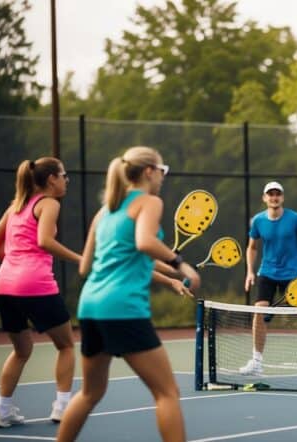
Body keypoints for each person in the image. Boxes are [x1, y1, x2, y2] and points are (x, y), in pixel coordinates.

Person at [56, 146, 200, 442]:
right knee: (167, 393)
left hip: (91, 307)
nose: (163, 176)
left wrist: (169, 274)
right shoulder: (149, 202)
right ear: (148, 171)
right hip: (122, 308)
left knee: (89, 393)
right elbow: (145, 241)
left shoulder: (105, 211)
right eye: (162, 170)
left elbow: (86, 266)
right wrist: (181, 265)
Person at [0, 157, 81, 427]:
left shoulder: (14, 207)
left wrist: (15, 264)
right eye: (63, 175)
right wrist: (79, 259)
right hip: (35, 284)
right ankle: (62, 407)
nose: (66, 180)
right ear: (51, 179)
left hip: (4, 287)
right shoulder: (49, 203)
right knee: (65, 345)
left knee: (22, 350)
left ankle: (2, 411)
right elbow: (45, 241)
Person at [239, 181, 297, 376]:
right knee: (259, 313)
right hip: (266, 273)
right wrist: (250, 271)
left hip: (291, 274)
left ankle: (273, 311)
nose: (274, 197)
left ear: (282, 198)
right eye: (270, 194)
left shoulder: (294, 219)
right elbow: (252, 247)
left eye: (277, 194)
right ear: (264, 198)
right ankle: (257, 361)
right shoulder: (258, 221)